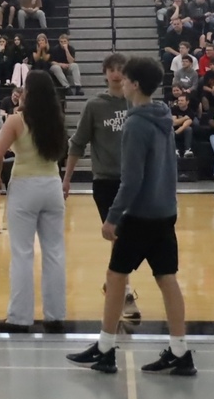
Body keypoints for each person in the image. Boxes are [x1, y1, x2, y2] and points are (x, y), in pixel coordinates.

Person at [67, 56, 195, 376]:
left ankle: (105, 348)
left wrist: (112, 217)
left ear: (135, 84)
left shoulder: (136, 123)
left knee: (115, 277)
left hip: (140, 215)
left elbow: (132, 179)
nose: (120, 83)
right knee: (167, 279)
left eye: (124, 80)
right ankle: (180, 352)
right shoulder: (163, 115)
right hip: (165, 212)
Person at [0, 70, 68, 333]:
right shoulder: (57, 120)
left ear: (30, 93)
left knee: (22, 253)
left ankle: (20, 317)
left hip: (25, 186)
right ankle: (55, 316)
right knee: (54, 252)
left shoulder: (15, 120)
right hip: (52, 186)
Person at [63, 53, 140, 320]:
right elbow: (77, 143)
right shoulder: (94, 106)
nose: (117, 73)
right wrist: (67, 178)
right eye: (112, 69)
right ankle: (125, 291)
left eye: (121, 69)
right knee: (119, 234)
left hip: (134, 181)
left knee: (130, 237)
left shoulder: (136, 104)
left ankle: (115, 282)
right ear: (105, 73)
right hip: (106, 181)